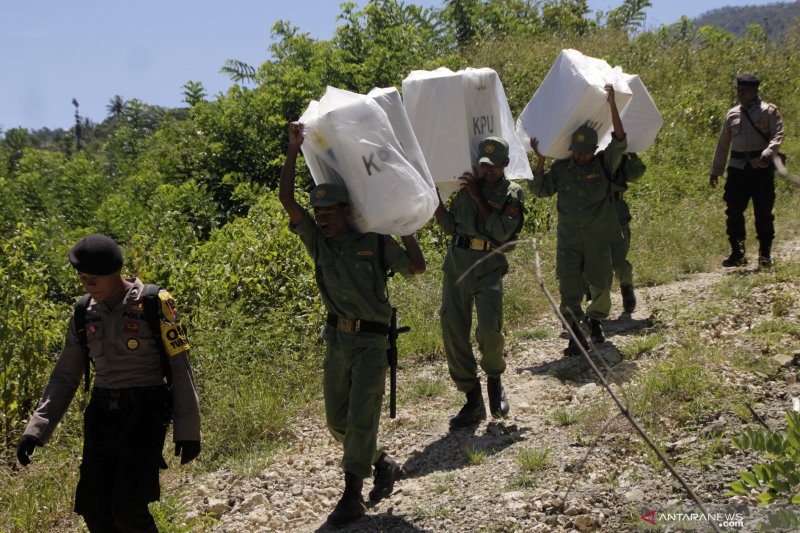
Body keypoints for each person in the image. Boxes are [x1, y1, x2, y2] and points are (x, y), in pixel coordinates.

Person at [279, 122, 425, 527]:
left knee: (360, 419)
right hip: (337, 341)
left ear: (347, 210)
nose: (322, 219)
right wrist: (293, 150)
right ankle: (382, 461)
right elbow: (287, 200)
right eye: (319, 213)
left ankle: (350, 495)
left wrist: (403, 228)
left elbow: (415, 267)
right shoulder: (317, 241)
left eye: (329, 212)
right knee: (337, 422)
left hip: (372, 345)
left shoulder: (375, 240)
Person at [16, 234, 201, 533]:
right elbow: (65, 375)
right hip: (101, 415)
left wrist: (188, 430)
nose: (87, 287)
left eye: (93, 280)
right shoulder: (83, 312)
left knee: (128, 508)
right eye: (82, 279)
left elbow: (180, 369)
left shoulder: (155, 303)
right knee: (94, 509)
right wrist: (36, 430)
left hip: (145, 413)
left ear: (115, 272)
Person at [530, 84, 627, 356]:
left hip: (597, 238)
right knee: (569, 287)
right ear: (572, 148)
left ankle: (595, 321)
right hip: (569, 239)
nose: (582, 156)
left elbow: (620, 140)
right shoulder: (562, 170)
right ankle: (574, 334)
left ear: (595, 149)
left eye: (587, 152)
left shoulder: (603, 165)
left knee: (601, 284)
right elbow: (540, 190)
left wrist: (612, 105)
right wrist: (540, 161)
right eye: (578, 151)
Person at [434, 136, 524, 428]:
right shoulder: (466, 186)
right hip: (457, 264)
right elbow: (450, 226)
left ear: (505, 164)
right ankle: (472, 400)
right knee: (453, 330)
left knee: (488, 329)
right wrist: (432, 198)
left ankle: (495, 382)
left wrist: (477, 196)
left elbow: (500, 233)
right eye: (484, 166)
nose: (488, 172)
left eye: (494, 167)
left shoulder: (511, 194)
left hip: (488, 267)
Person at [710, 72, 784, 268]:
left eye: (744, 90)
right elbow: (723, 144)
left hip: (761, 168)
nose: (740, 93)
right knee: (733, 211)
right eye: (738, 90)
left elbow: (778, 134)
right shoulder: (732, 114)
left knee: (763, 212)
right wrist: (715, 170)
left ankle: (765, 255)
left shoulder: (768, 111)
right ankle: (738, 253)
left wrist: (769, 151)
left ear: (754, 91)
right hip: (737, 169)